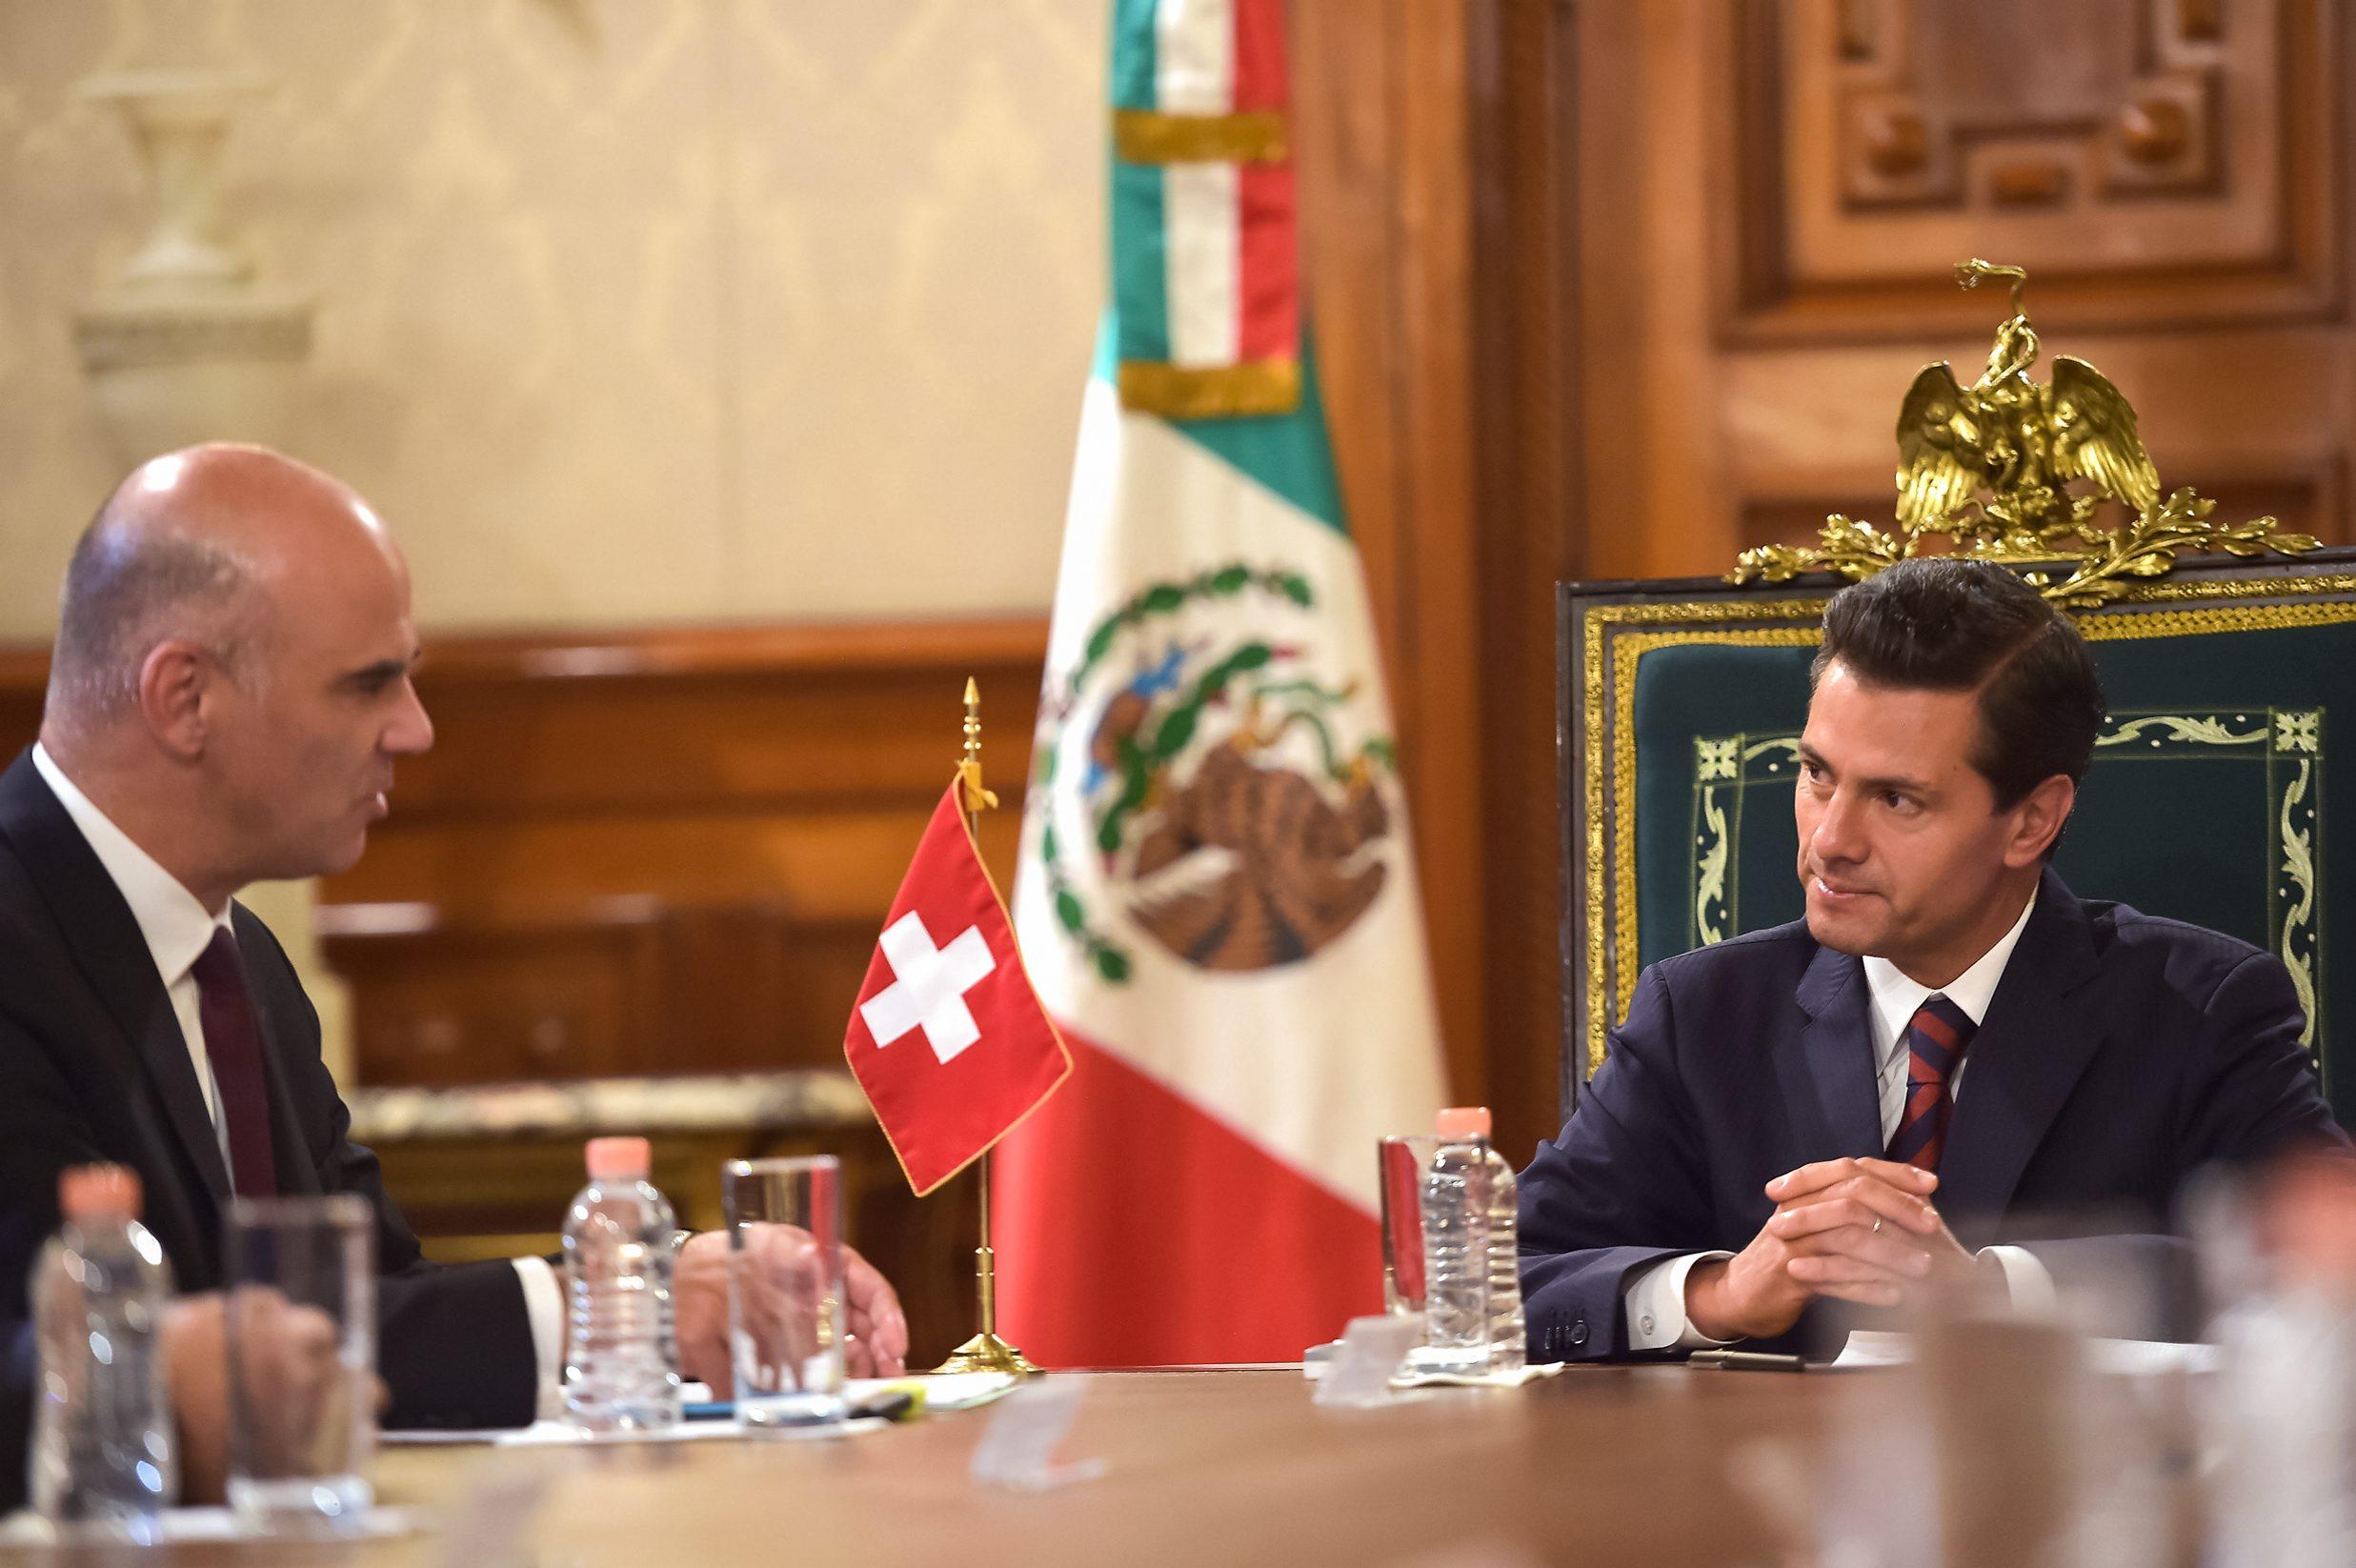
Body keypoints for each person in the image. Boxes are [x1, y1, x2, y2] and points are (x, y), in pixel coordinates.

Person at [0, 445, 910, 1506]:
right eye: (369, 683)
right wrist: (612, 1303)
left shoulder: (239, 962)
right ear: (185, 696)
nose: (415, 728)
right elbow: (112, 1357)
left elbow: (368, 1310)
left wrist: (649, 1300)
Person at [1518, 557, 2345, 1360]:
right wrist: (1722, 1293)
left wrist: (1993, 1291)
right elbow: (1509, 1280)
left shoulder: (2201, 1009)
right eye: (1815, 775)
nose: (1829, 842)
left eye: (1895, 798)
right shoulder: (1697, 1011)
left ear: (2031, 822)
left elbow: (2316, 1271)